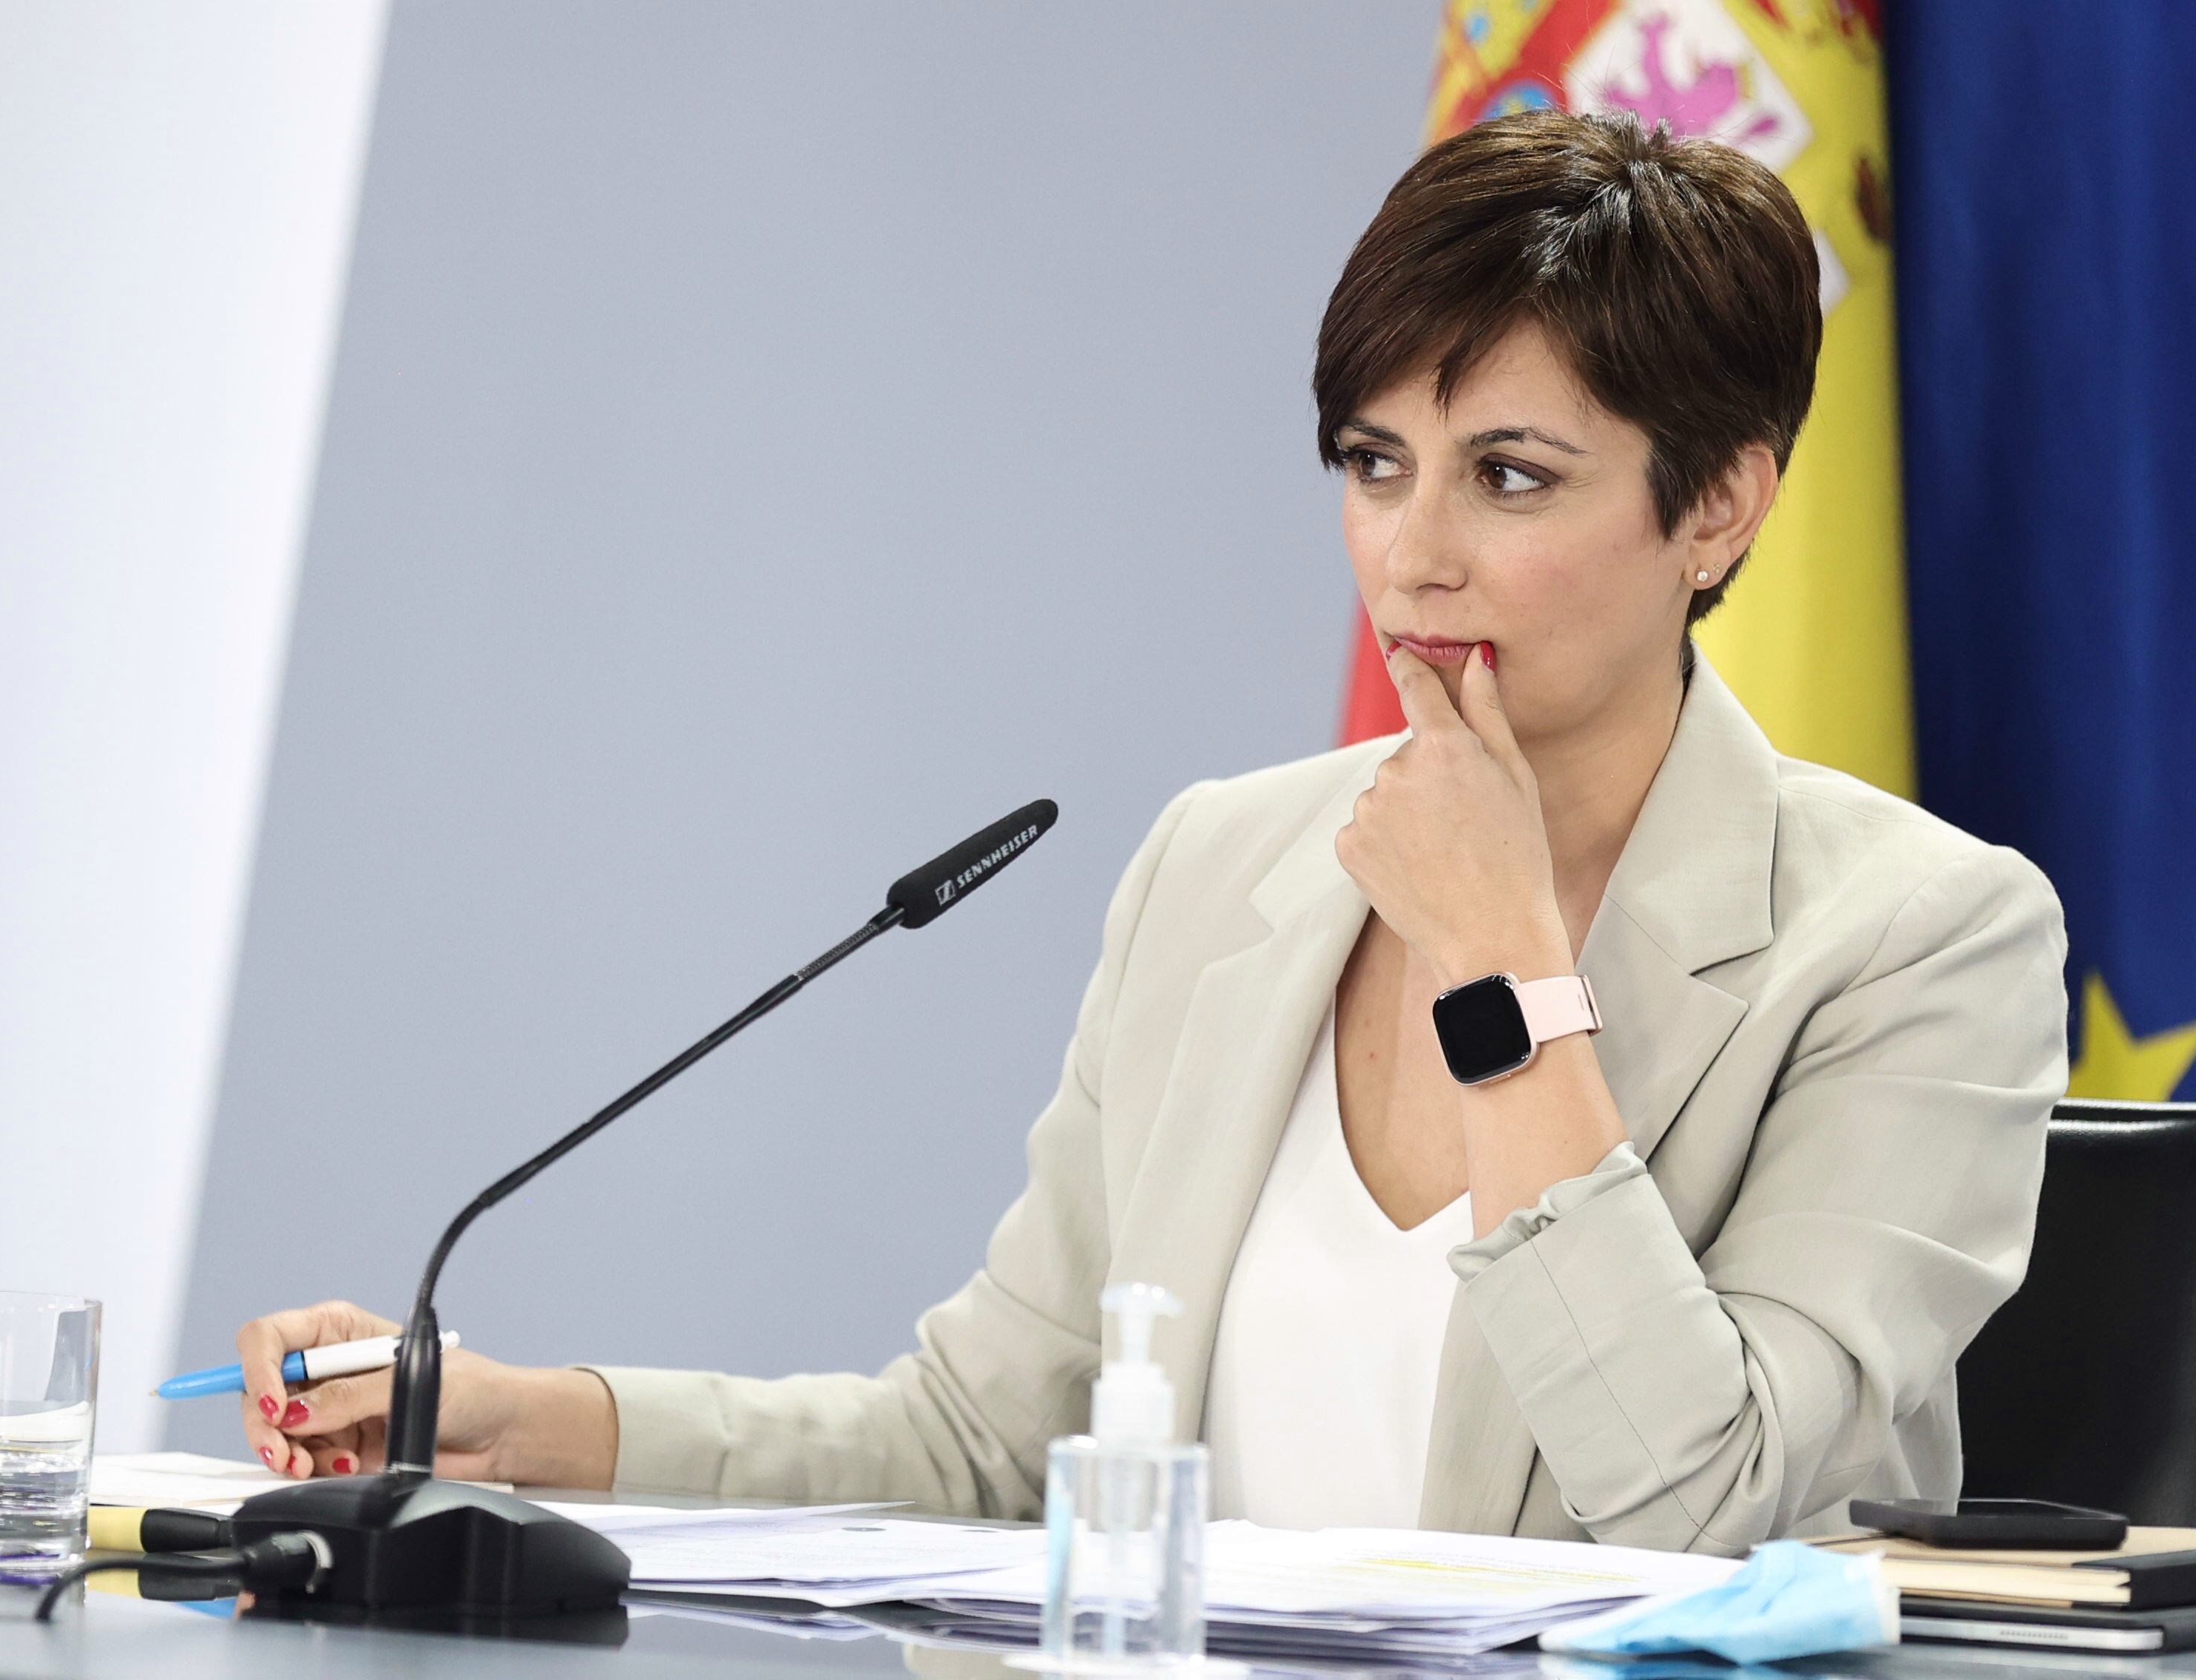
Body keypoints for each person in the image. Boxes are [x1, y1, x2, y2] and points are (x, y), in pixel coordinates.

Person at [232, 110, 2067, 1554]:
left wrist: (1505, 964)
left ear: (1720, 508)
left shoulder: (1921, 938)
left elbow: (1704, 1500)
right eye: (1375, 463)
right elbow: (988, 1440)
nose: (1413, 553)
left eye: (1510, 474)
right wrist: (522, 1420)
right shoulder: (1224, 865)